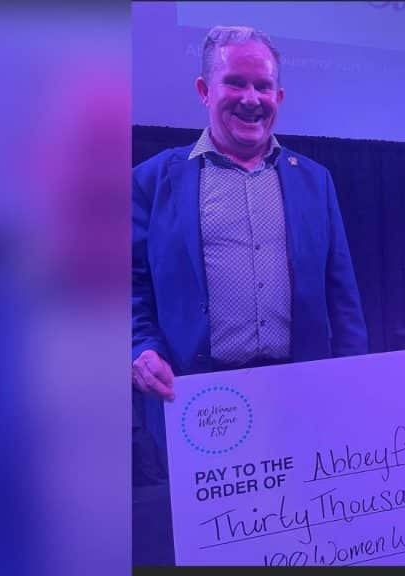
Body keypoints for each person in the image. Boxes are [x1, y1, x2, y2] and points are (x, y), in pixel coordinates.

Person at [131, 25, 369, 460]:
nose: (250, 98)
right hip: (198, 401)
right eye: (235, 82)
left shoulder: (314, 181)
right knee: (211, 526)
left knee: (307, 517)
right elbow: (126, 284)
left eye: (263, 86)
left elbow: (343, 294)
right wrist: (139, 347)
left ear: (278, 97)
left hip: (301, 395)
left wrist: (353, 380)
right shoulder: (152, 181)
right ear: (205, 90)